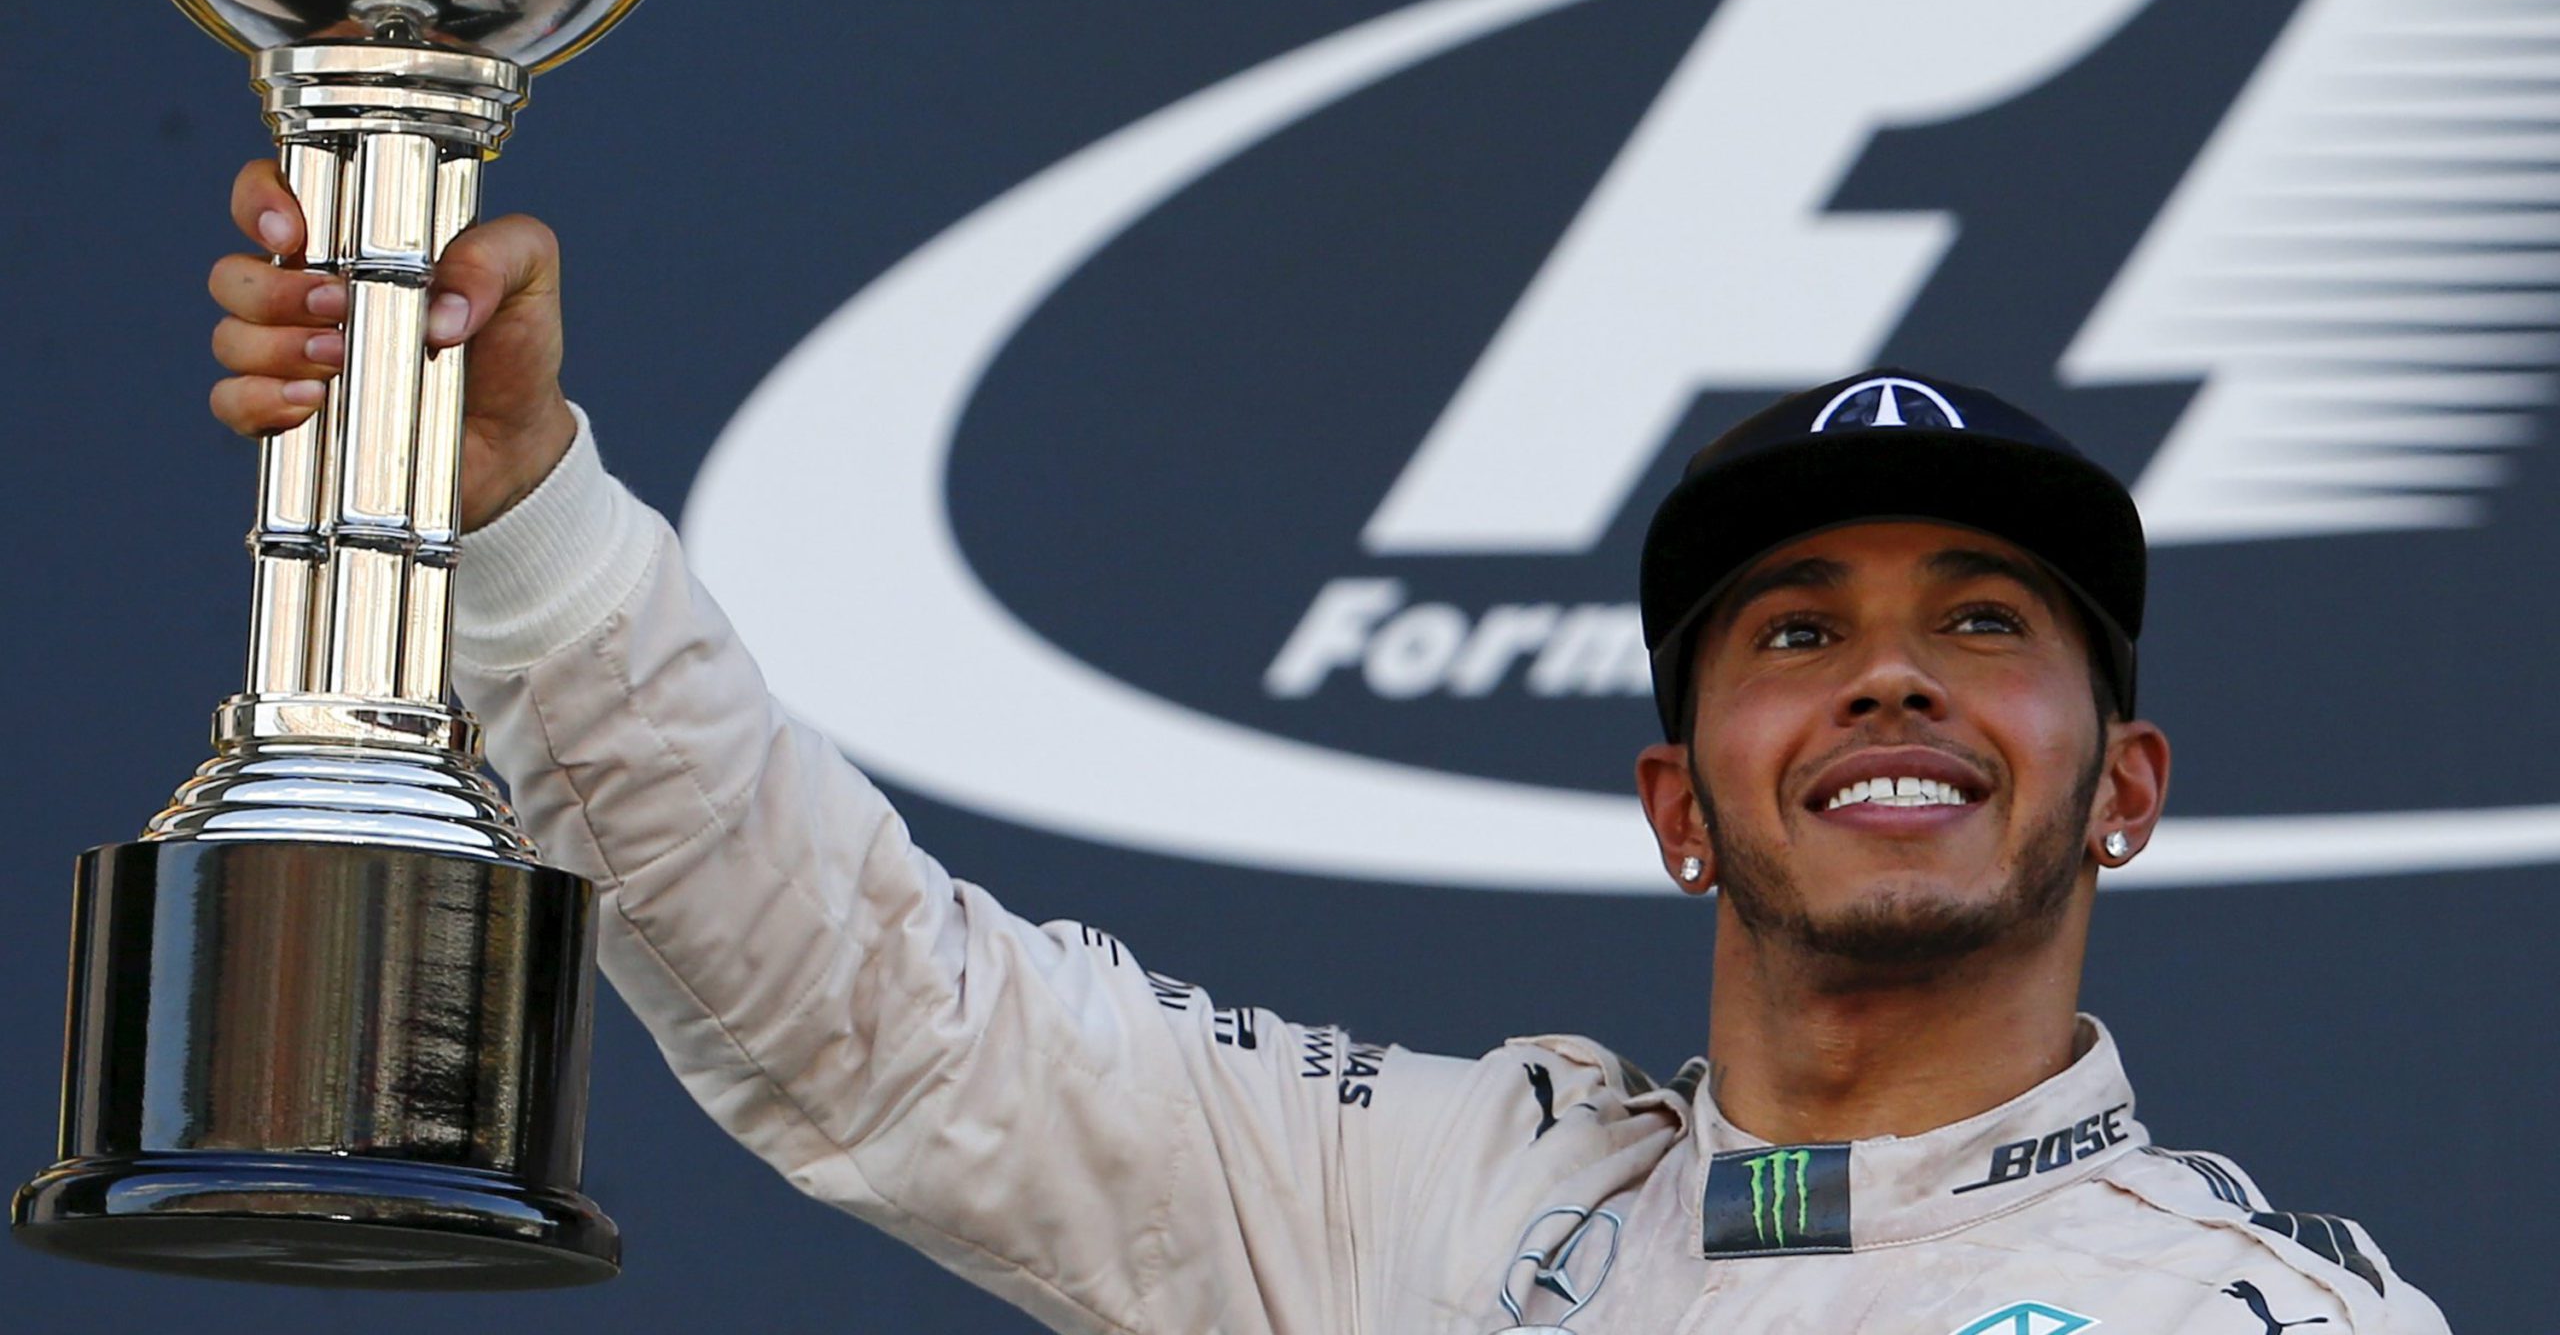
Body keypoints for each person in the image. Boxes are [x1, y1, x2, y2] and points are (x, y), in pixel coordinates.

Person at [204, 157, 2450, 1333]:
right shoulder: (1437, 1205)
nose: (1886, 677)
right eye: (1794, 627)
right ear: (1677, 805)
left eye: (1980, 621)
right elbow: (888, 1017)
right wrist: (507, 502)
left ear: (2120, 790)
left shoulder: (2256, 1321)